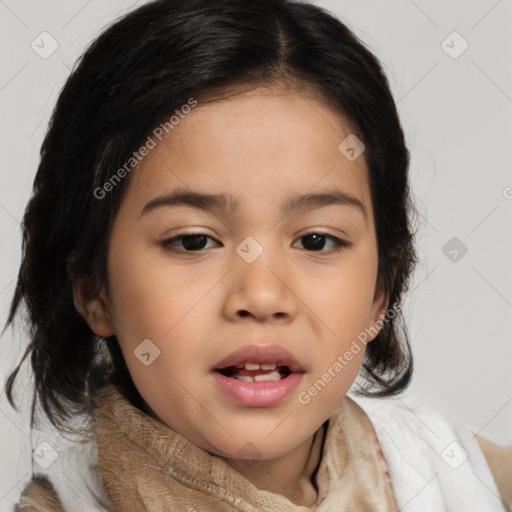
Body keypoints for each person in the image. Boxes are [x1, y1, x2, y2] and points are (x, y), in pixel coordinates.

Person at [5, 0, 511, 510]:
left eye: (316, 240)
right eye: (194, 241)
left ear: (382, 288)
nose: (263, 296)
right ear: (94, 288)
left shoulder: (457, 473)